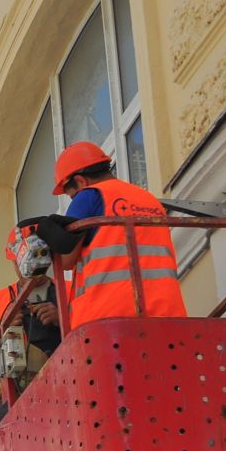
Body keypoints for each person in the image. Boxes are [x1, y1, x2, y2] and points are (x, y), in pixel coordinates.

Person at [32, 142, 184, 332]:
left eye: (71, 195)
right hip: (168, 315)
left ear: (80, 181)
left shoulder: (89, 195)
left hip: (110, 318)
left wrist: (47, 236)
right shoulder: (149, 199)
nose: (73, 200)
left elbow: (65, 260)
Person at [0, 224, 61, 385]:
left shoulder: (67, 288)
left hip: (67, 379)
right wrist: (3, 327)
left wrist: (61, 318)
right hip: (18, 392)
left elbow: (91, 336)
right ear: (14, 262)